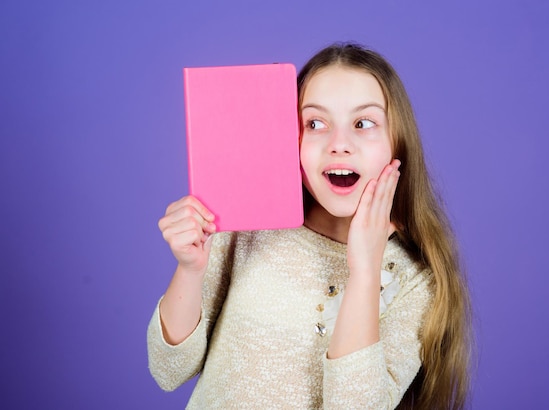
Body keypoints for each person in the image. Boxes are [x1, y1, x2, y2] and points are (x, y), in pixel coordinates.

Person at [147, 43, 472, 409]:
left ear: (397, 141)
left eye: (363, 123)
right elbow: (167, 370)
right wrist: (190, 270)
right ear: (291, 138)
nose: (339, 145)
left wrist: (365, 271)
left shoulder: (416, 282)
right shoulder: (248, 227)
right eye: (315, 123)